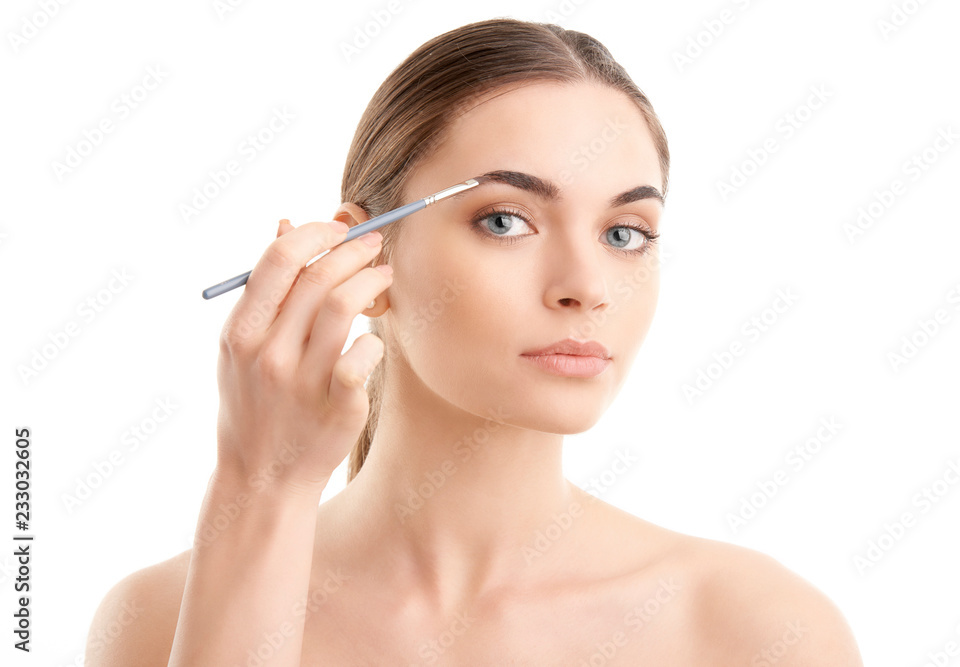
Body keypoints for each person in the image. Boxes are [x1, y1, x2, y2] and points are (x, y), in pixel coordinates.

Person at [87, 17, 863, 665]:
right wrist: (261, 483)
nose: (585, 284)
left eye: (626, 233)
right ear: (366, 252)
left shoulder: (755, 630)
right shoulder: (156, 622)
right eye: (505, 219)